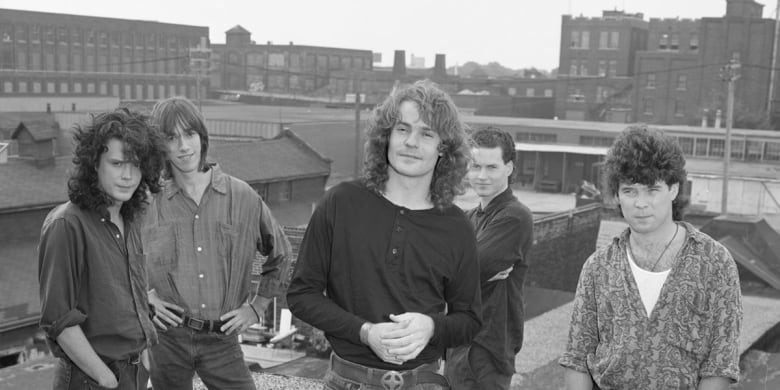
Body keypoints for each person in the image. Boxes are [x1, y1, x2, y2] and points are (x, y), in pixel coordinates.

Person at [286, 80, 482, 390]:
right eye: (403, 129)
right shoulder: (341, 202)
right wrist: (364, 332)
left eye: (427, 133)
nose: (411, 142)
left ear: (443, 148)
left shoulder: (456, 227)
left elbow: (469, 319)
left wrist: (431, 327)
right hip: (347, 381)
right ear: (386, 136)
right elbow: (301, 295)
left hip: (423, 383)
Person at [559, 126, 742, 389]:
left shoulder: (714, 262)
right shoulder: (598, 268)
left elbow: (721, 361)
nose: (640, 203)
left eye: (652, 189)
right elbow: (578, 357)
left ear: (674, 189)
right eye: (630, 191)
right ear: (617, 196)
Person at [143, 96, 293, 390]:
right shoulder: (147, 203)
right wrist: (145, 297)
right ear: (161, 147)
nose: (184, 146)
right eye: (171, 138)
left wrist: (257, 307)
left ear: (202, 136)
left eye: (190, 134)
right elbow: (120, 258)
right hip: (167, 339)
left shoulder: (242, 197)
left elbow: (282, 254)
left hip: (222, 340)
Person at [39, 108, 166, 389]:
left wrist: (144, 363)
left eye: (136, 165)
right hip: (92, 378)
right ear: (94, 164)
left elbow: (133, 295)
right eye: (117, 164)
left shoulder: (130, 218)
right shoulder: (66, 224)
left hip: (132, 372)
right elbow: (58, 318)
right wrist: (106, 379)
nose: (128, 176)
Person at [445, 127, 534, 389]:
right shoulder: (468, 218)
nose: (481, 176)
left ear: (509, 168)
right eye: (475, 166)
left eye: (492, 167)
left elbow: (468, 272)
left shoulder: (515, 217)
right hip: (456, 345)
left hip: (486, 352)